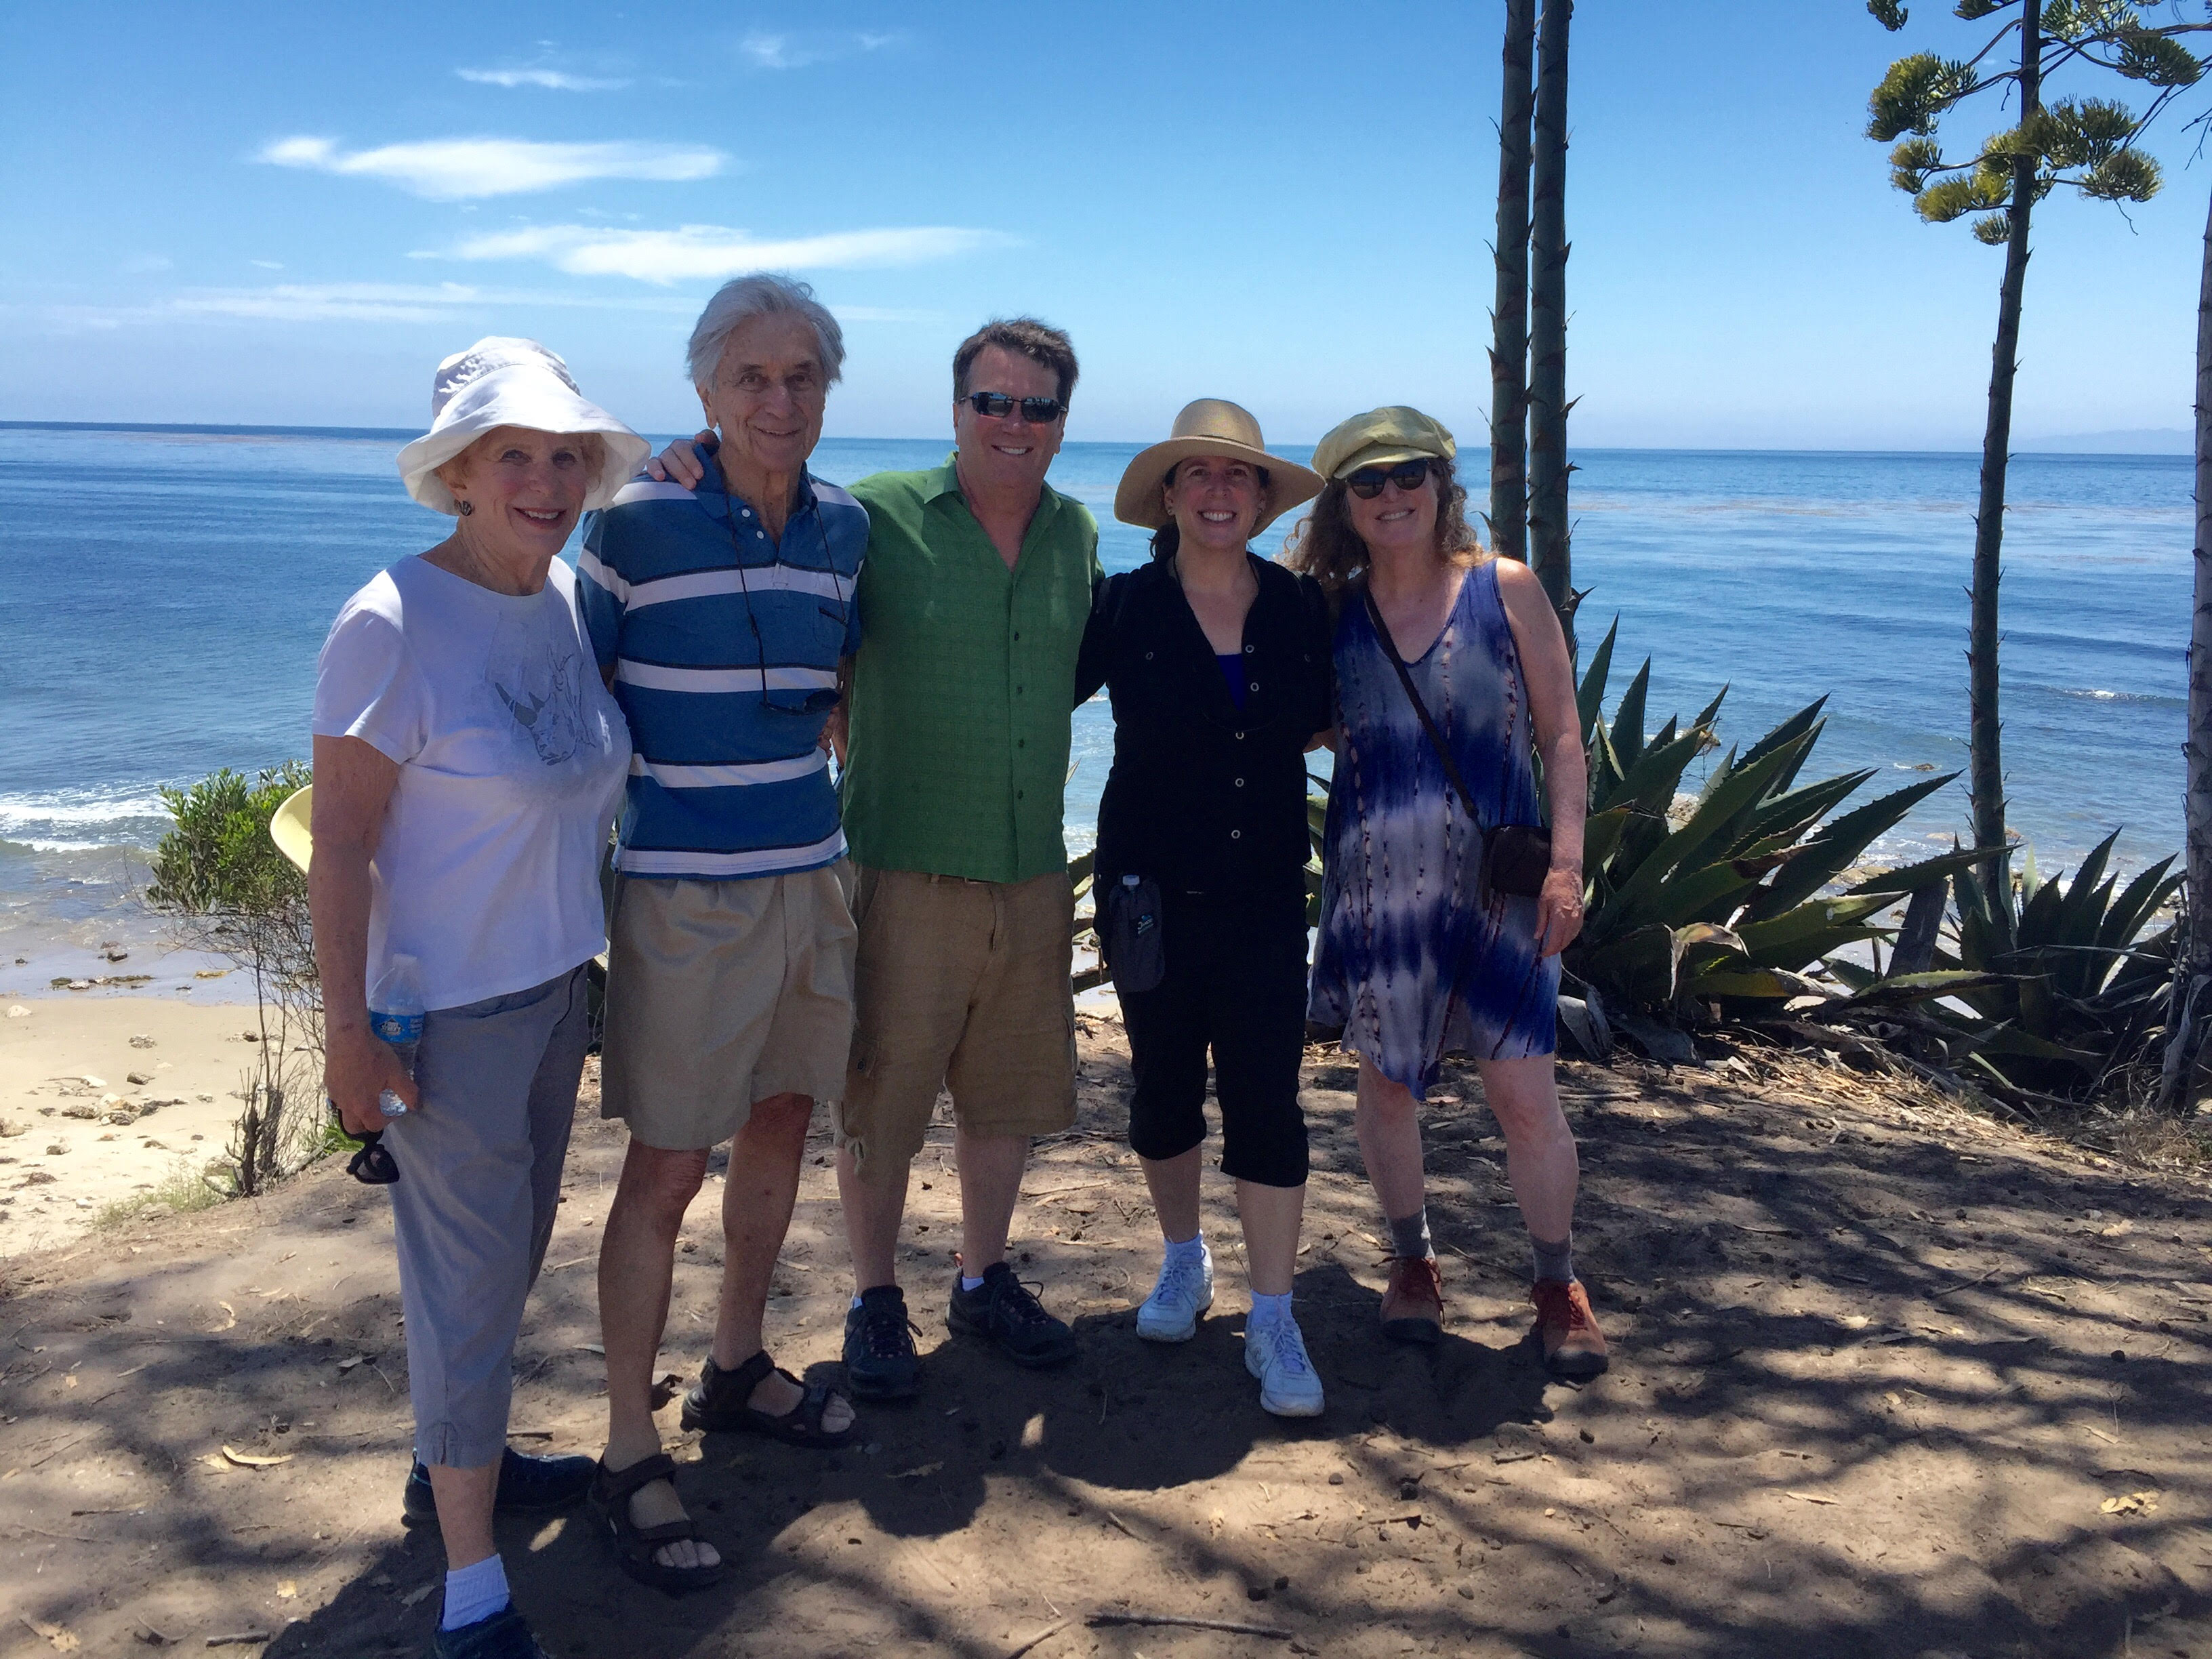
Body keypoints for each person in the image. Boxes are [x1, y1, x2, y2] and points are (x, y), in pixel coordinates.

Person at [312, 337, 644, 1658]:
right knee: (462, 1288)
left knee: (499, 1274)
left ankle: (467, 1467)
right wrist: (348, 1036)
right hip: (439, 1017)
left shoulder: (562, 598)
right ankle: (468, 1583)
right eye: (518, 455)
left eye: (568, 456)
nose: (549, 479)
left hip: (558, 992)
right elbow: (340, 847)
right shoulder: (390, 623)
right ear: (458, 473)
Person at [576, 274, 865, 1595]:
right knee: (665, 1169)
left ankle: (738, 1364)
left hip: (813, 878)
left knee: (786, 1122)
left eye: (803, 375)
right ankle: (629, 1443)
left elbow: (848, 694)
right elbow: (568, 713)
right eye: (751, 377)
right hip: (683, 898)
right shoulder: (632, 526)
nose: (778, 400)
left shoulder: (848, 530)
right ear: (702, 391)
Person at [1287, 406, 1607, 1379]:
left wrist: (1566, 864)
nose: (1393, 495)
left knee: (1524, 1092)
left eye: (1409, 475)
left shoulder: (1503, 589)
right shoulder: (1332, 612)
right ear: (1345, 504)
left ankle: (1557, 1283)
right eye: (1369, 482)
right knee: (1385, 1086)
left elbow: (1561, 734)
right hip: (1381, 892)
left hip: (1499, 893)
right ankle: (1413, 1262)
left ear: (1440, 483)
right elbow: (1292, 719)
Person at [1076, 399, 1332, 1416]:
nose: (1219, 492)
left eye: (1240, 477)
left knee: (1268, 1099)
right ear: (1170, 498)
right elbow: (1019, 683)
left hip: (1267, 891)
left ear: (1264, 500)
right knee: (1164, 1089)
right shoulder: (1123, 607)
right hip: (1147, 892)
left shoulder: (1304, 607)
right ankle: (1184, 1259)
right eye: (1199, 475)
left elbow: (1355, 712)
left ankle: (1274, 1314)